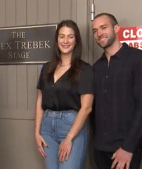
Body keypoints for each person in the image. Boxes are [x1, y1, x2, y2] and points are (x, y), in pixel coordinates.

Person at [92, 13, 142, 169]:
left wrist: (128, 147)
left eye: (103, 27)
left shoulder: (139, 59)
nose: (99, 33)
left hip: (126, 148)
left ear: (116, 28)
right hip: (100, 148)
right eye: (95, 30)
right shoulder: (96, 67)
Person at [34, 20, 94, 169]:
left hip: (72, 127)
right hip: (47, 128)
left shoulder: (85, 70)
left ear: (76, 41)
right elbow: (40, 99)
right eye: (62, 36)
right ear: (56, 40)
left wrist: (68, 138)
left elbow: (86, 107)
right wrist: (36, 132)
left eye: (70, 36)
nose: (65, 41)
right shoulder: (46, 68)